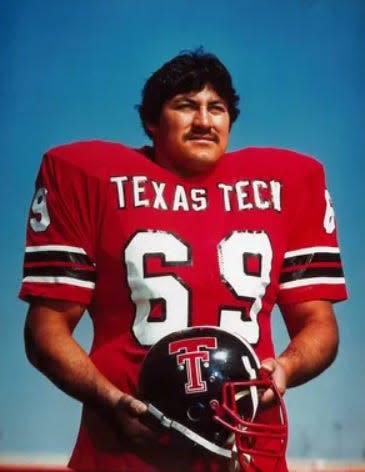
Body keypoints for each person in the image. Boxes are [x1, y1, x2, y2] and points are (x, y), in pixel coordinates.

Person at [20, 49, 347, 472]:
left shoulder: (288, 185)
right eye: (186, 106)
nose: (205, 121)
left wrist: (285, 368)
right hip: (126, 450)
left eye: (217, 108)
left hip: (244, 446)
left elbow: (319, 324)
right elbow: (45, 329)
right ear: (153, 122)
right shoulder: (87, 177)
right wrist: (109, 398)